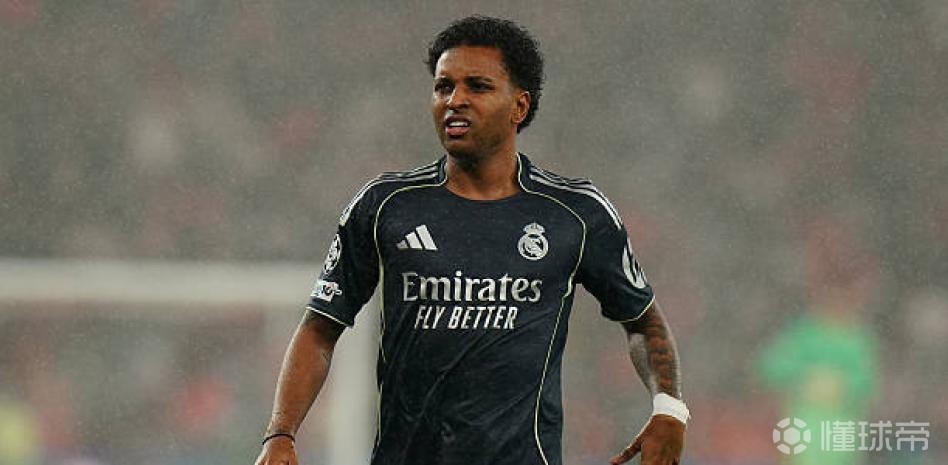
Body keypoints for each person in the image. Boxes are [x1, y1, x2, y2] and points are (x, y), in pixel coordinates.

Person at [255, 15, 688, 465]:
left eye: (477, 86)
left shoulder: (575, 214)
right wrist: (280, 434)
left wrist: (669, 407)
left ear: (519, 106)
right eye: (443, 87)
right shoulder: (385, 206)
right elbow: (320, 327)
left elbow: (643, 321)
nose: (455, 100)